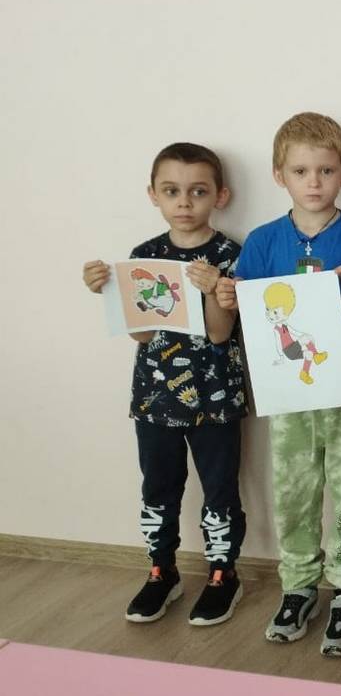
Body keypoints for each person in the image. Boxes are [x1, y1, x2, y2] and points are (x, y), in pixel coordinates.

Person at [215, 112, 341, 657]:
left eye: (326, 170)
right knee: (294, 490)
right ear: (279, 175)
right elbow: (244, 314)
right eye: (300, 171)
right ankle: (298, 586)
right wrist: (226, 298)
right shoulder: (264, 242)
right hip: (288, 392)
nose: (314, 182)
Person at [82, 142, 246, 627]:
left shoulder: (230, 254)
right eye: (172, 191)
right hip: (155, 399)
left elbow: (220, 333)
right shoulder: (145, 256)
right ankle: (161, 571)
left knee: (219, 490)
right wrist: (109, 289)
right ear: (153, 194)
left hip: (216, 399)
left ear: (220, 195)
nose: (184, 202)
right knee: (158, 487)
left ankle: (223, 574)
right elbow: (143, 334)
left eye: (198, 191)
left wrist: (213, 288)